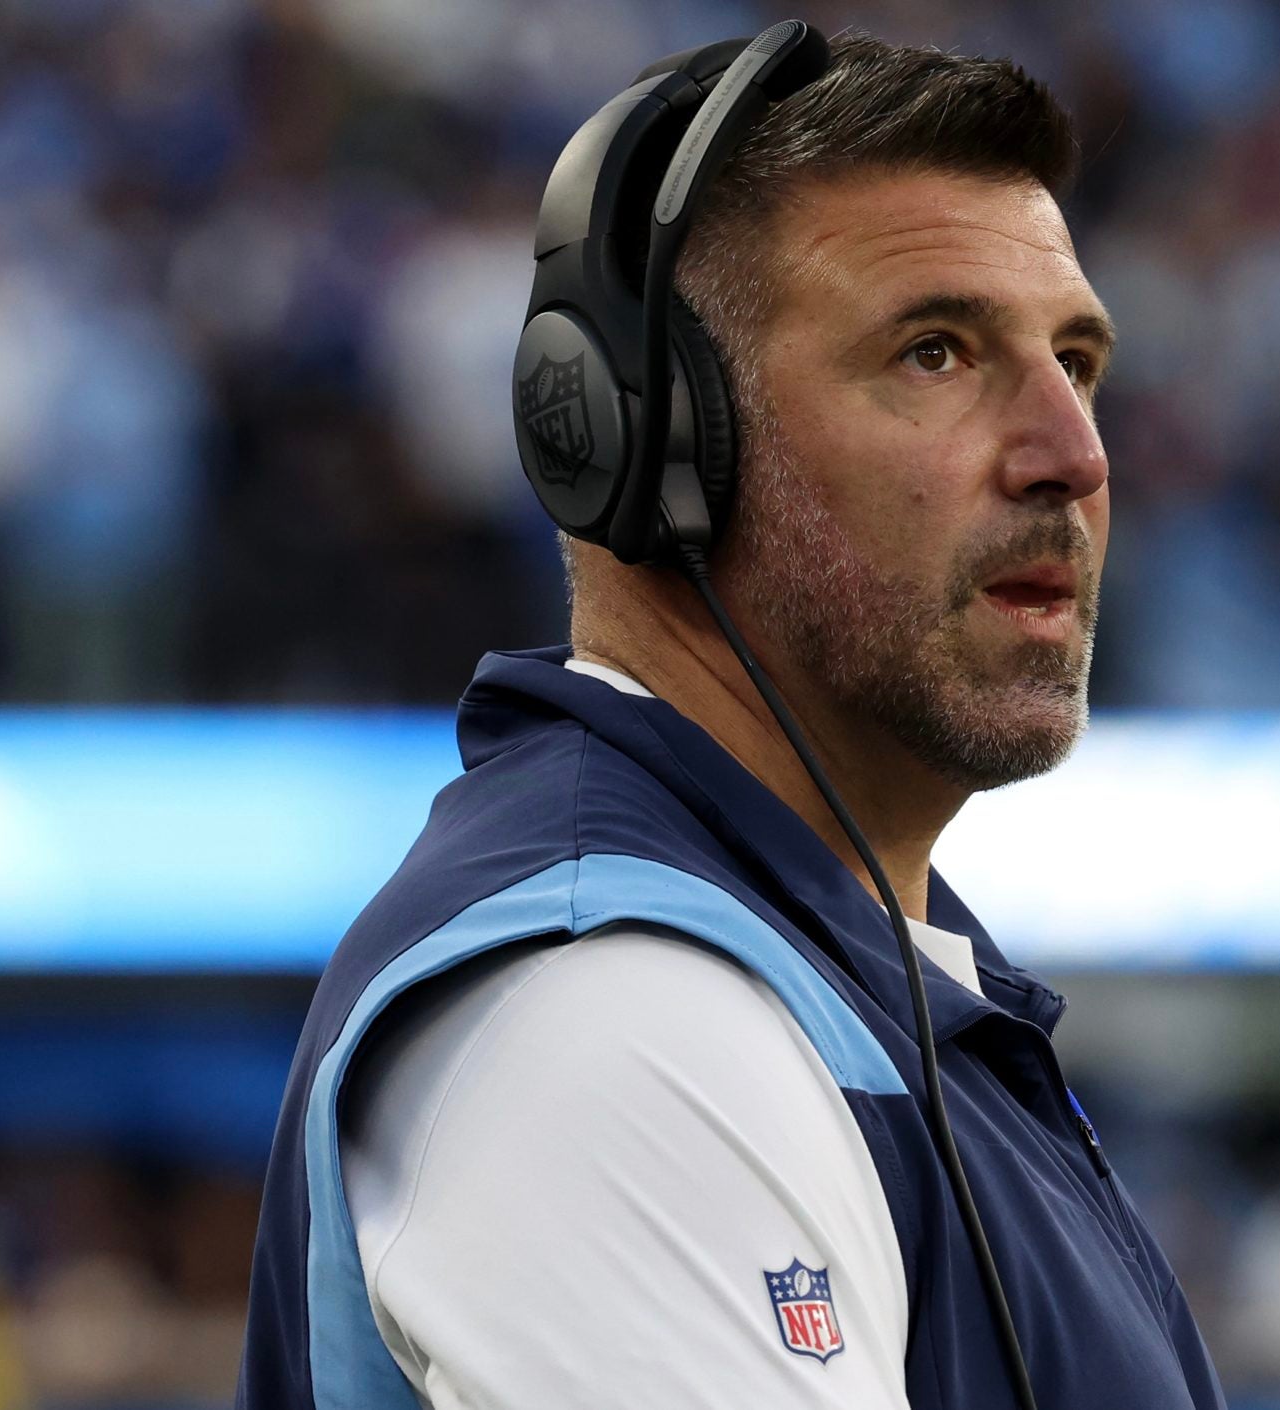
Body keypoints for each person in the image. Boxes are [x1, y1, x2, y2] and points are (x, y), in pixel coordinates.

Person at [239, 30, 1225, 1410]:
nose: (1075, 454)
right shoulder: (608, 1011)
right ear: (655, 447)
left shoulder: (858, 975)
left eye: (1077, 359)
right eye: (936, 353)